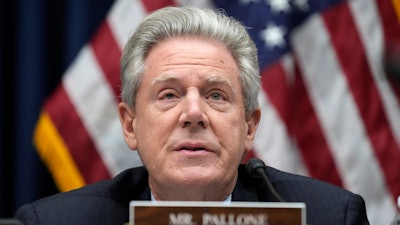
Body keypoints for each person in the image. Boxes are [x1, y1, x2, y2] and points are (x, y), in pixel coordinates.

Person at [15, 6, 369, 225]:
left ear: (249, 126)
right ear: (130, 124)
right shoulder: (57, 222)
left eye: (216, 95)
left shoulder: (327, 217)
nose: (194, 113)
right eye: (169, 95)